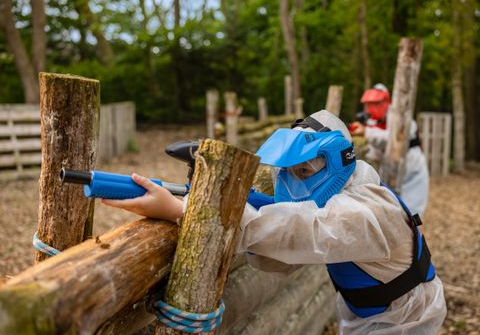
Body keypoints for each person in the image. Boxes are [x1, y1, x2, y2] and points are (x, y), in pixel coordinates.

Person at [102, 110, 446, 334]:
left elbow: (301, 231)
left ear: (338, 160)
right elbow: (280, 257)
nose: (294, 182)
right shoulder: (350, 186)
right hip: (370, 313)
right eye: (290, 172)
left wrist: (185, 211)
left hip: (408, 321)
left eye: (304, 171)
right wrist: (240, 199)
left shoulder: (365, 213)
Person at [349, 83, 430, 219]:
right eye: (369, 104)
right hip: (389, 168)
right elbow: (375, 151)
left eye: (376, 103)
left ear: (386, 102)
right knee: (390, 210)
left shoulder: (401, 115)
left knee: (413, 212)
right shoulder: (373, 122)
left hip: (411, 167)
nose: (371, 108)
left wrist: (366, 132)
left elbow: (396, 139)